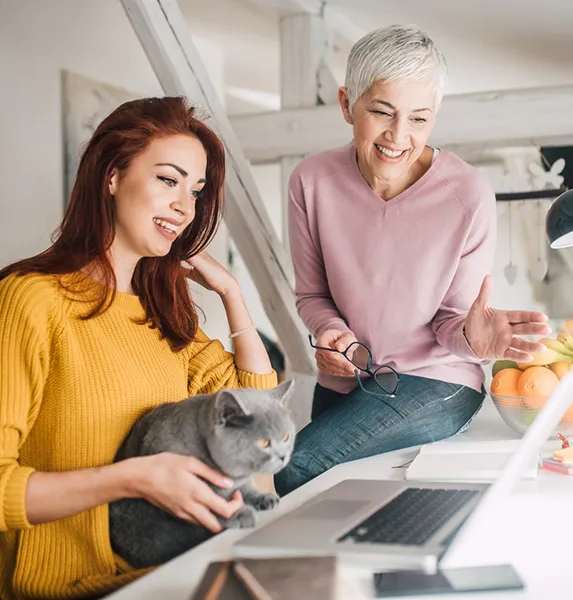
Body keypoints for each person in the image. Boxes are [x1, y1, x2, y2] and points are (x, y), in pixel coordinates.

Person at [0, 97, 277, 599]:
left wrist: (233, 296)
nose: (184, 207)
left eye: (195, 191)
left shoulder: (165, 316)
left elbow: (256, 406)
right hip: (71, 587)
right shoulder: (31, 300)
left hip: (173, 569)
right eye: (168, 180)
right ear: (112, 175)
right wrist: (134, 479)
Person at [274, 25, 550, 496]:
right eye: (381, 112)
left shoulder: (467, 195)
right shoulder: (311, 180)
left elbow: (449, 321)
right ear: (346, 104)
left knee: (295, 467)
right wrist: (329, 331)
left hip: (436, 383)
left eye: (419, 119)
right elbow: (312, 294)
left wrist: (471, 335)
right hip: (346, 380)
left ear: (435, 115)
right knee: (327, 500)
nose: (398, 137)